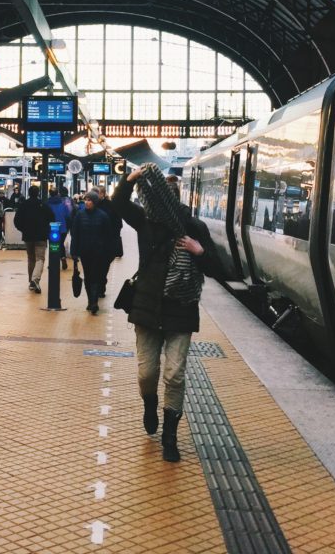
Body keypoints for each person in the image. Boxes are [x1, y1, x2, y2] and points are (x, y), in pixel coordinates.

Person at [112, 163, 223, 463]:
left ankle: (170, 435)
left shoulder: (194, 227)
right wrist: (130, 179)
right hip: (147, 309)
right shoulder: (145, 222)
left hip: (181, 310)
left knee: (174, 374)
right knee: (147, 373)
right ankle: (150, 403)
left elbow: (218, 268)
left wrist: (200, 252)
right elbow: (118, 203)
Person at [70, 190, 113, 314]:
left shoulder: (103, 216)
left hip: (98, 252)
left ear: (95, 202)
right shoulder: (79, 215)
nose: (87, 202)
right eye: (86, 200)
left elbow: (107, 236)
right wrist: (74, 252)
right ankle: (90, 301)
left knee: (95, 275)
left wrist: (108, 252)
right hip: (84, 251)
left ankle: (94, 302)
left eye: (89, 200)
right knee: (88, 276)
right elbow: (75, 234)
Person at [13, 184, 54, 293]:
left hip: (28, 236)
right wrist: (46, 229)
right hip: (41, 236)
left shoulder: (24, 205)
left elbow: (16, 220)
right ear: (38, 193)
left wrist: (23, 229)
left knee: (31, 258)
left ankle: (31, 282)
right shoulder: (43, 205)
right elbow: (52, 218)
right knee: (40, 258)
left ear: (29, 193)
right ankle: (35, 279)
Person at [96, 185, 123, 295]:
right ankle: (97, 289)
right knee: (96, 267)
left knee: (103, 266)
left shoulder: (111, 206)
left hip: (107, 242)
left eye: (97, 193)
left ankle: (101, 284)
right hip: (95, 242)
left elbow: (118, 224)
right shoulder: (90, 206)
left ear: (103, 194)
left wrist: (113, 237)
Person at [47, 186, 73, 270]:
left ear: (49, 194)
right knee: (60, 244)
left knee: (53, 245)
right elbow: (68, 215)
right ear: (57, 193)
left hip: (51, 228)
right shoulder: (63, 204)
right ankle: (62, 258)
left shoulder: (47, 204)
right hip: (62, 228)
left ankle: (53, 262)